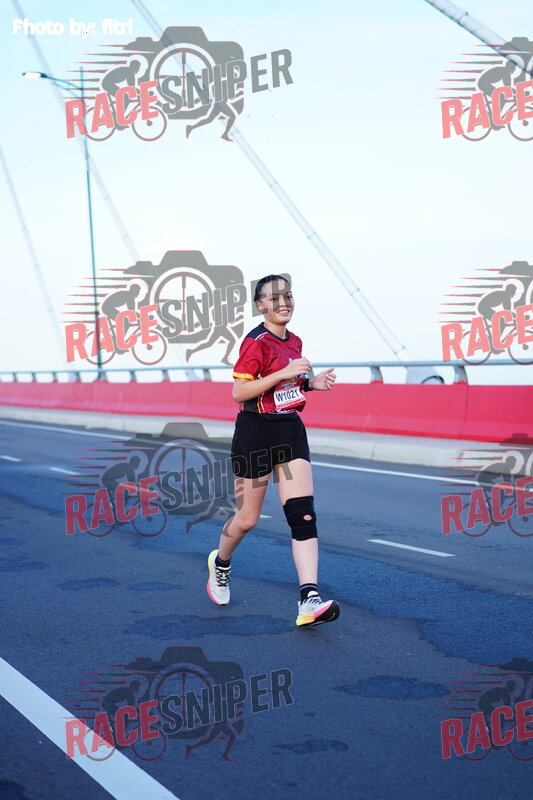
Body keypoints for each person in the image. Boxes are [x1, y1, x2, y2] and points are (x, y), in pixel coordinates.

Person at [206, 275, 340, 628]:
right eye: (275, 297)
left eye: (288, 296)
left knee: (303, 515)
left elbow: (287, 387)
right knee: (247, 519)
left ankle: (309, 599)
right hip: (255, 435)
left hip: (290, 431)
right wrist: (284, 372)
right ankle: (220, 564)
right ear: (260, 305)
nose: (284, 303)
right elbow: (239, 393)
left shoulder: (294, 341)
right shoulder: (255, 342)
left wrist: (311, 384)